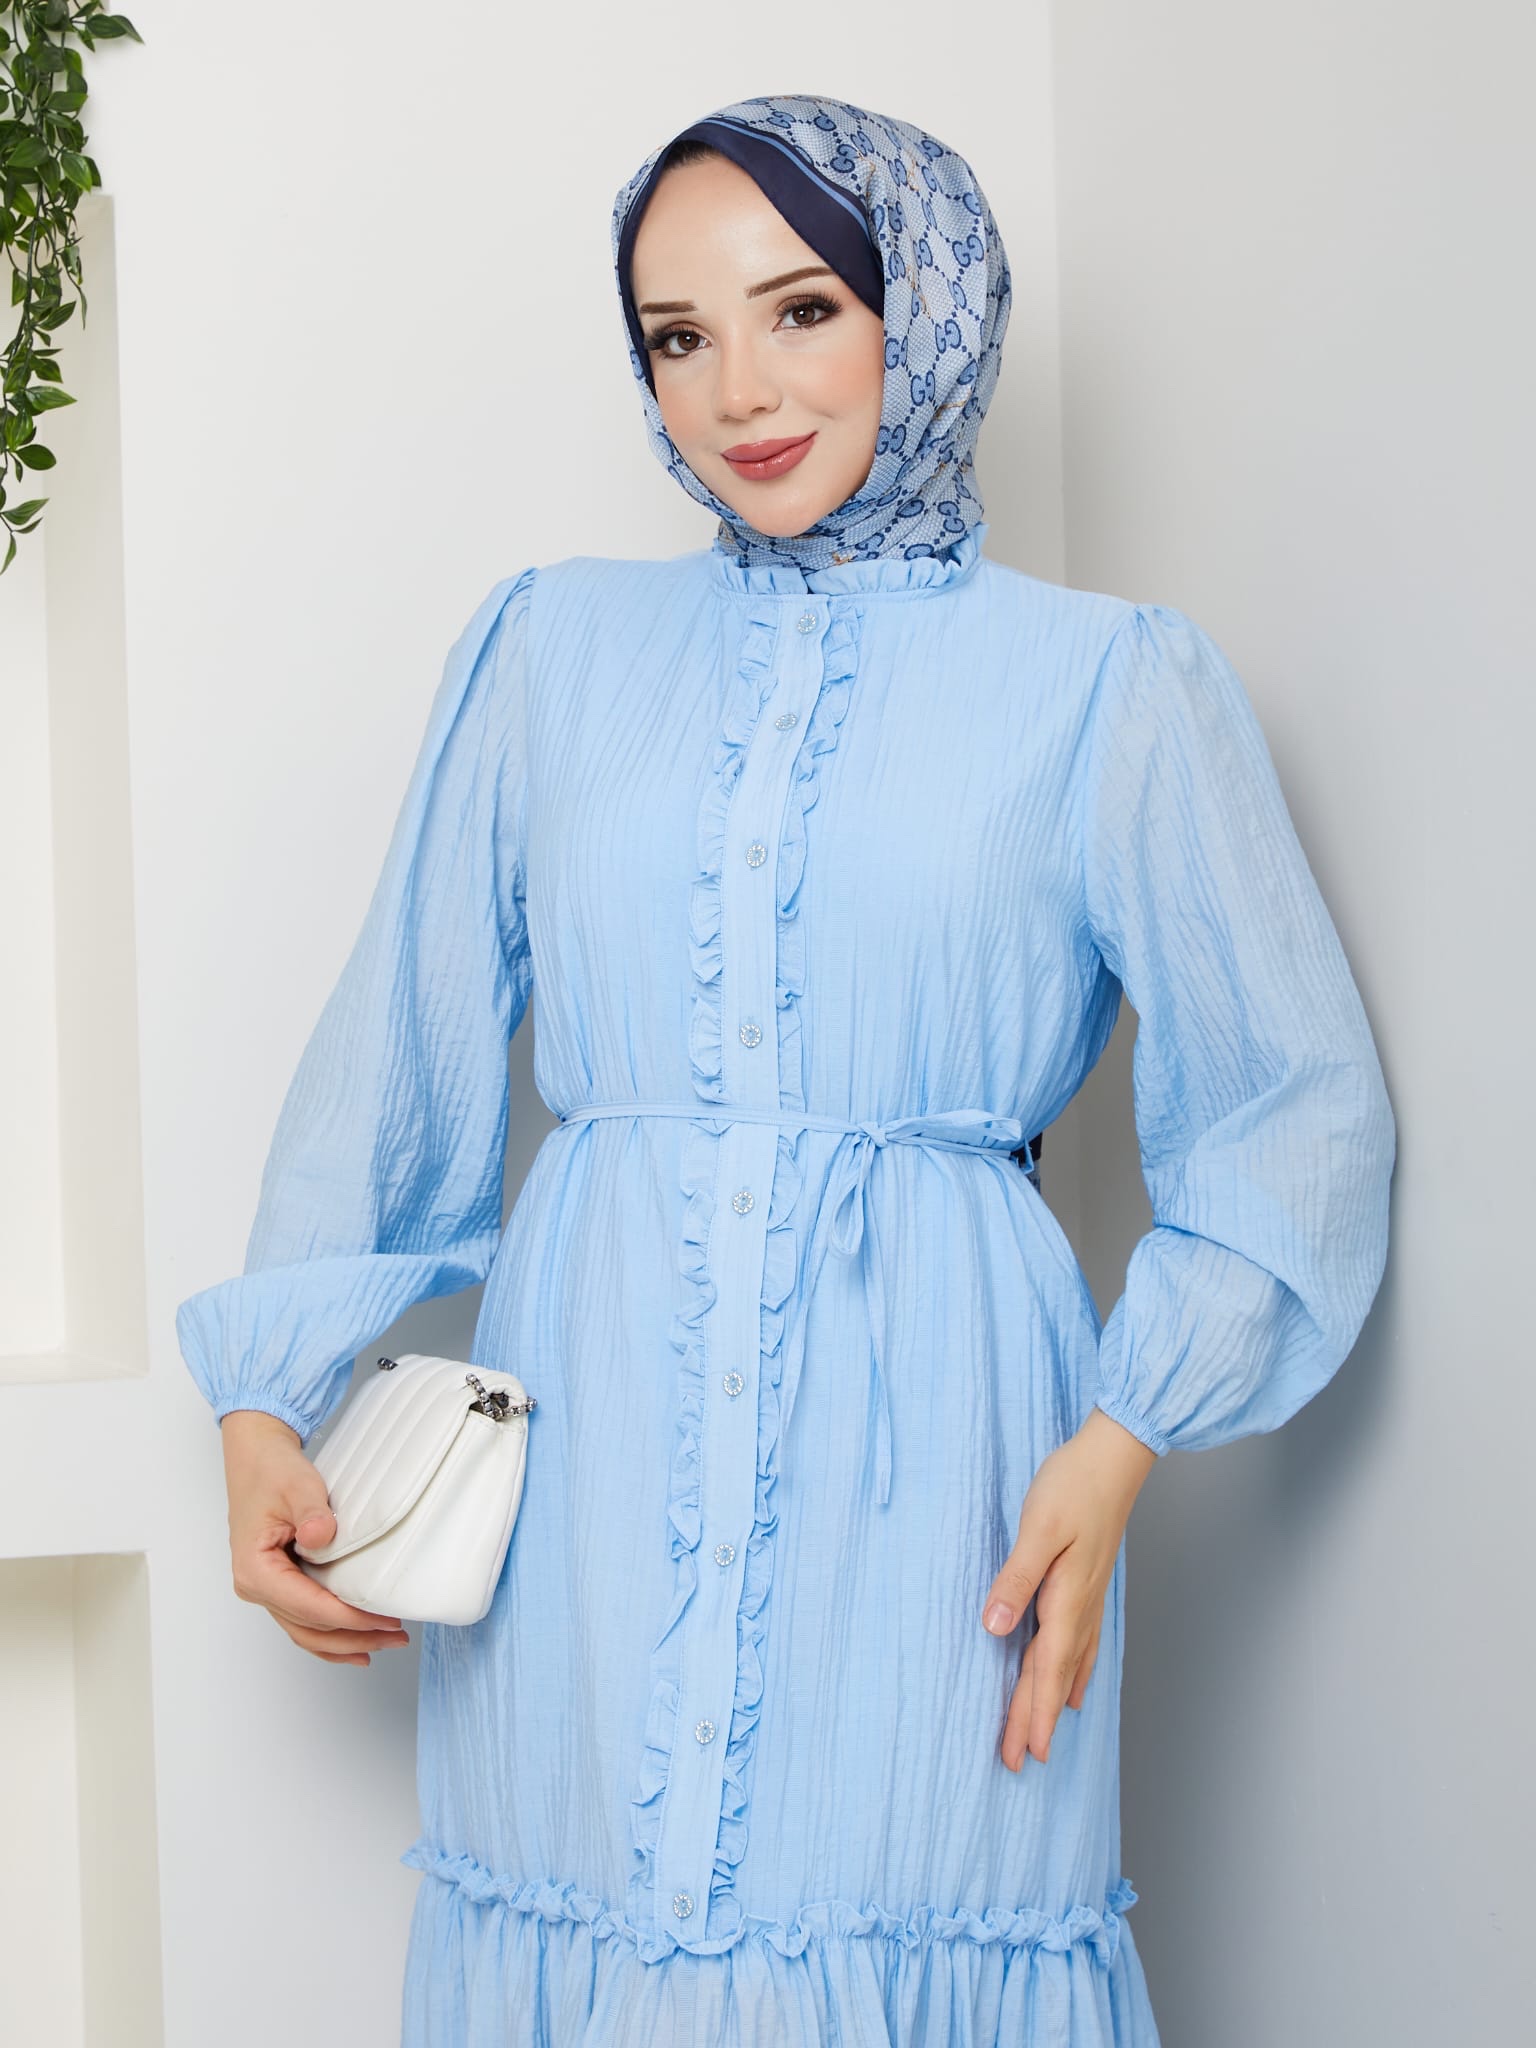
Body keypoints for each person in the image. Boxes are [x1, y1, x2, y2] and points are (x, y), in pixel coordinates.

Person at [177, 91, 1396, 2048]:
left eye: (803, 309)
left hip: (951, 1471)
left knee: (911, 1912)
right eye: (677, 334)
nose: (735, 390)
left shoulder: (1110, 683)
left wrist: (1119, 1441)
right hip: (594, 1454)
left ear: (931, 309)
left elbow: (1294, 1104)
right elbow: (399, 1037)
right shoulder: (551, 650)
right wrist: (265, 1394)